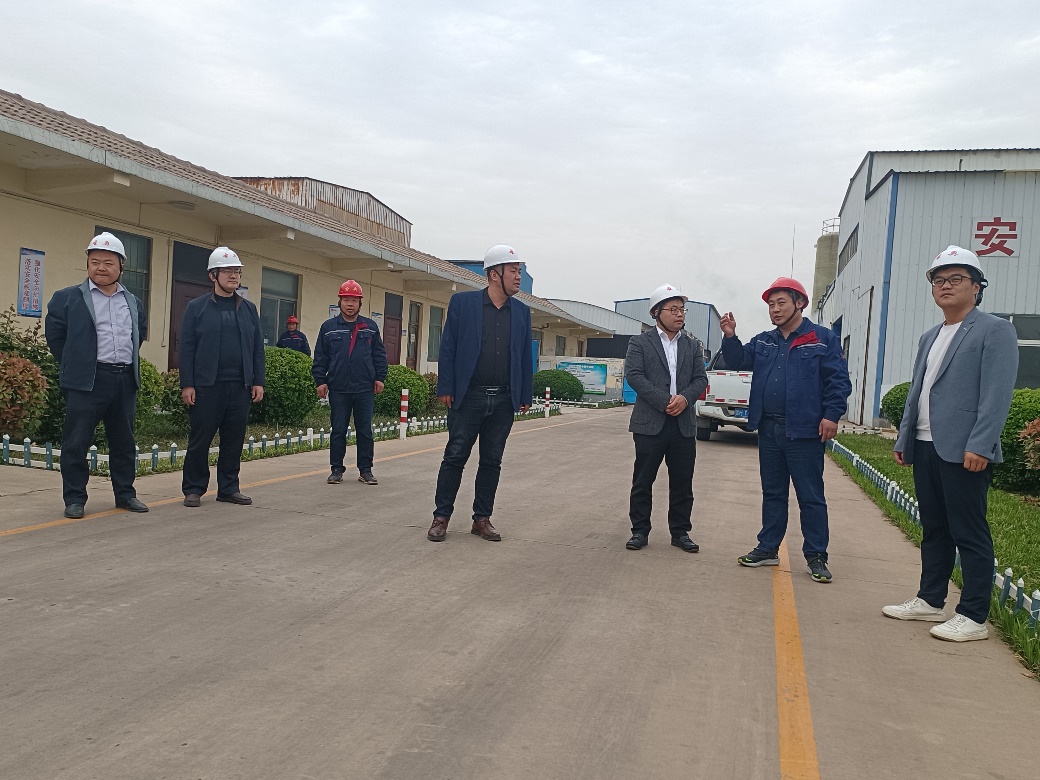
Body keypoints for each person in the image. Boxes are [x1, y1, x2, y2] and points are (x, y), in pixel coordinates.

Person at [884, 246, 1018, 642]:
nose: (945, 286)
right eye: (938, 280)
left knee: (968, 531)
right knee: (934, 527)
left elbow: (996, 394)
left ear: (977, 287)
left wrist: (981, 444)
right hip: (926, 444)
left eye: (956, 279)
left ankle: (973, 616)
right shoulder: (930, 336)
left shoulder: (994, 330)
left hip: (964, 449)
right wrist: (905, 436)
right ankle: (930, 599)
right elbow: (918, 391)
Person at [720, 277, 851, 583]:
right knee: (773, 492)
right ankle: (768, 547)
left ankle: (816, 555)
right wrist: (730, 336)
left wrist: (832, 415)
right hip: (769, 429)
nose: (775, 310)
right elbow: (739, 360)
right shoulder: (764, 341)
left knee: (810, 496)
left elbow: (838, 381)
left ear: (799, 303)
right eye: (771, 304)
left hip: (804, 431)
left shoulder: (821, 339)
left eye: (781, 303)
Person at [427, 244, 533, 542]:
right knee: (455, 456)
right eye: (513, 271)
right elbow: (448, 347)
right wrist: (446, 386)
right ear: (494, 274)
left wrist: (525, 393)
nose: (518, 277)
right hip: (469, 396)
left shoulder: (522, 312)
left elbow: (525, 356)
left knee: (491, 460)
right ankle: (441, 517)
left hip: (503, 400)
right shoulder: (463, 304)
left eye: (519, 271)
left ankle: (481, 519)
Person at [44, 232, 149, 519]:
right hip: (87, 381)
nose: (101, 268)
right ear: (88, 264)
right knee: (76, 442)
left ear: (121, 266)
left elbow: (138, 335)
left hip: (123, 379)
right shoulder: (68, 298)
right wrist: (76, 363)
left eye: (108, 263)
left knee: (123, 442)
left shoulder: (133, 301)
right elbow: (56, 337)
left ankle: (125, 494)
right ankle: (75, 498)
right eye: (95, 262)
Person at [623, 284, 708, 552]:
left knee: (682, 482)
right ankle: (639, 531)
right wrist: (665, 401)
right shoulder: (639, 343)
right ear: (656, 313)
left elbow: (700, 379)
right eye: (673, 309)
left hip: (683, 424)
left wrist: (684, 398)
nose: (679, 314)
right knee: (643, 480)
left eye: (682, 309)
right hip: (650, 422)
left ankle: (680, 532)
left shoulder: (692, 345)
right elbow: (634, 375)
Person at [178, 247, 265, 507]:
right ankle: (193, 488)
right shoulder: (196, 308)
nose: (233, 276)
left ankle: (228, 488)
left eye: (236, 271)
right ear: (212, 275)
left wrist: (258, 380)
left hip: (240, 386)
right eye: (227, 271)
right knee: (200, 440)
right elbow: (187, 348)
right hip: (207, 386)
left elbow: (257, 348)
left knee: (233, 440)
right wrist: (187, 384)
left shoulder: (248, 309)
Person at [312, 280, 387, 486]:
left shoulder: (370, 327)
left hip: (364, 388)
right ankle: (336, 469)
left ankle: (366, 470)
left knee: (365, 431)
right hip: (338, 388)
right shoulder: (328, 328)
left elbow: (379, 355)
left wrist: (380, 377)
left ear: (360, 303)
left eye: (354, 300)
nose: (350, 304)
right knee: (338, 430)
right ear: (340, 302)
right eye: (346, 300)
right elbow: (321, 357)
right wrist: (320, 381)